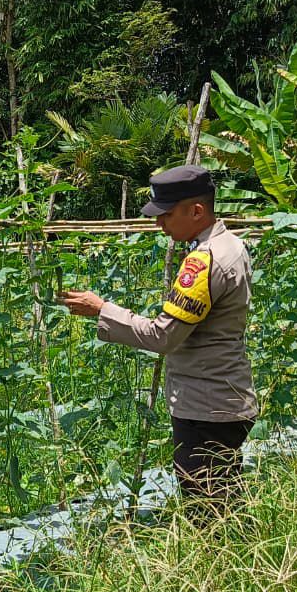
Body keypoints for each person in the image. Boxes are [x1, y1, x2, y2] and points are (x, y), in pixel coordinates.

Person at [58, 164, 258, 514]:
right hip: (225, 397)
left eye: (166, 215)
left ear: (196, 211)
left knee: (209, 512)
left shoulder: (205, 261)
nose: (159, 224)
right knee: (225, 501)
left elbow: (162, 336)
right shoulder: (232, 245)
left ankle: (227, 567)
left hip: (205, 406)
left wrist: (102, 309)